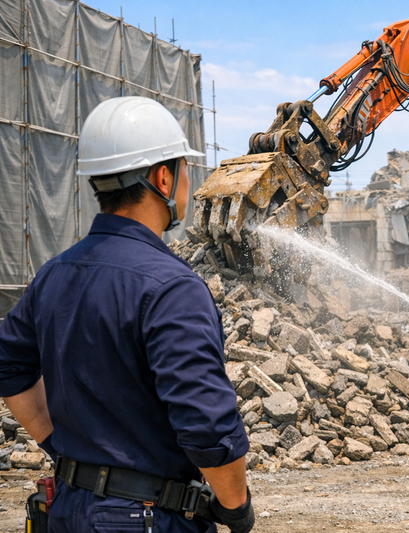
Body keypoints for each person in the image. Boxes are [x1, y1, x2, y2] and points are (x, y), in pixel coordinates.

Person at [0, 97, 254, 532]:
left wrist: (57, 445)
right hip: (147, 519)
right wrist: (236, 506)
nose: (189, 183)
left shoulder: (54, 275)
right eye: (185, 169)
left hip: (67, 509)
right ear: (162, 176)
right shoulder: (172, 287)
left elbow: (7, 365)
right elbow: (206, 425)